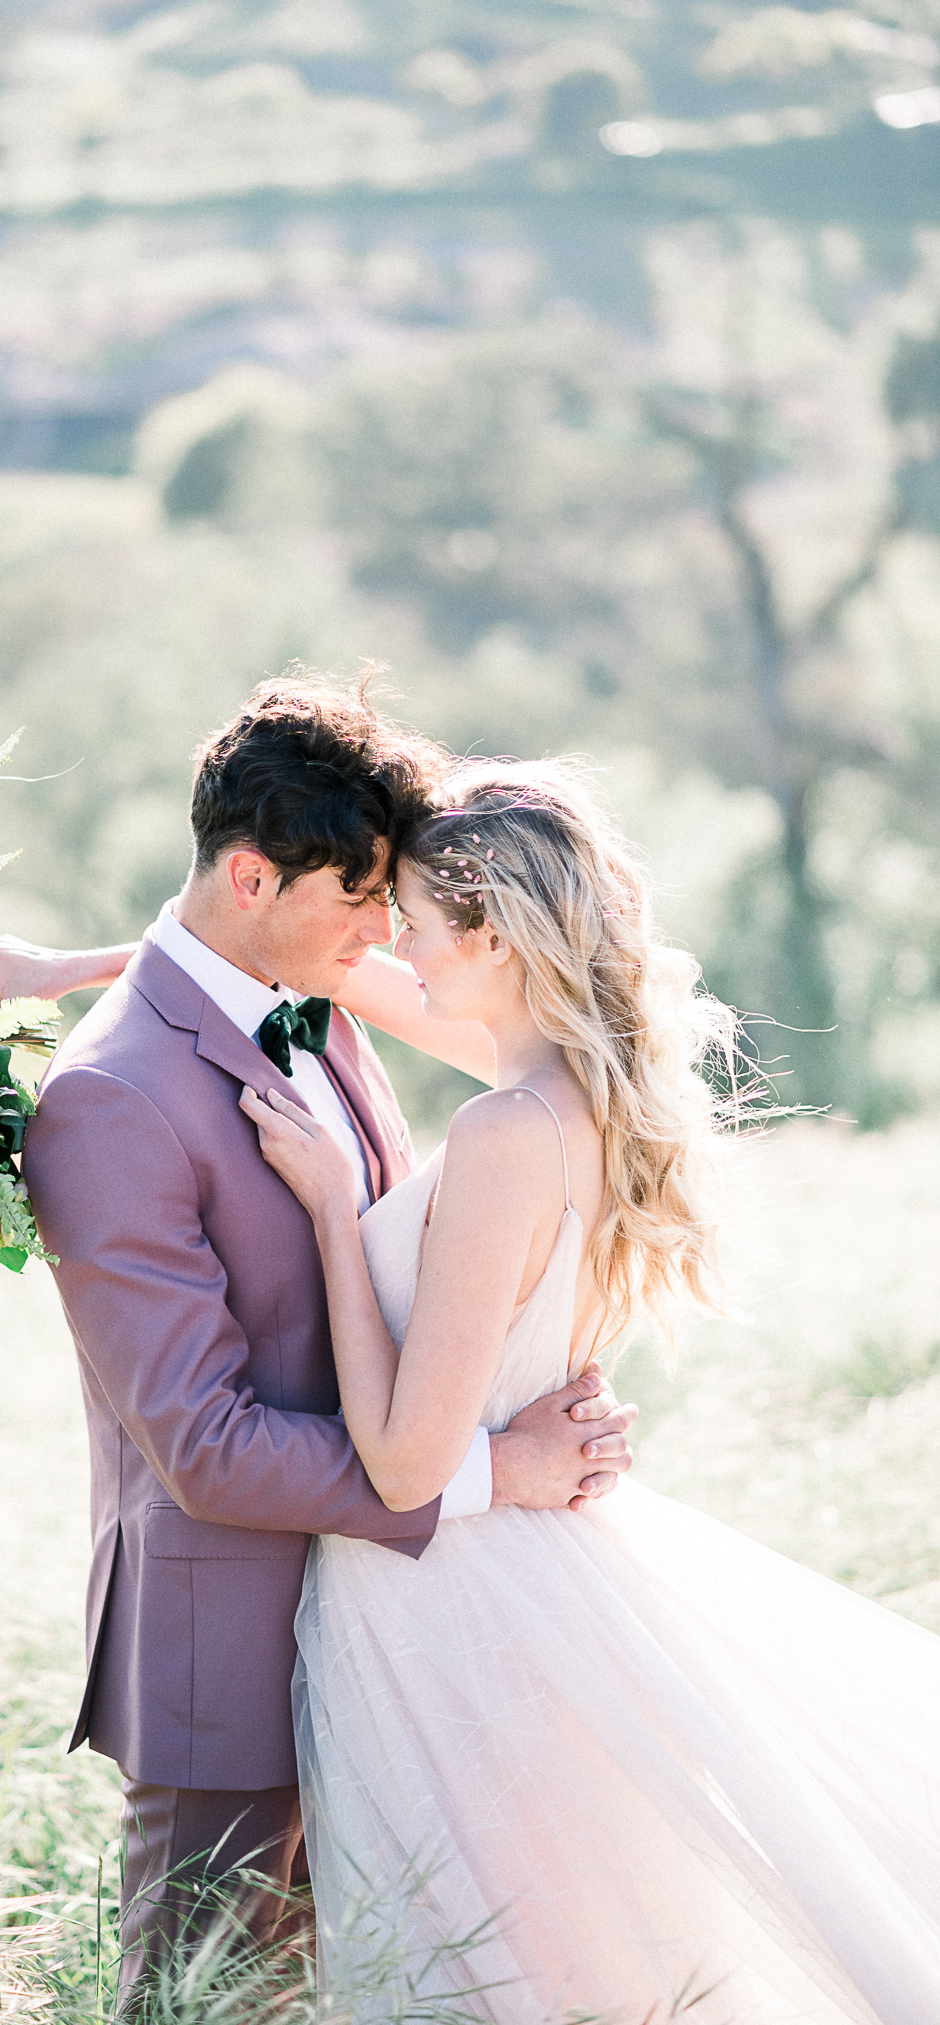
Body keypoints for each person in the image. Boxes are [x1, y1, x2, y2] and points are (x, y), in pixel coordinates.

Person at [0, 680, 638, 2011]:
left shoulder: (304, 992)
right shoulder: (105, 1106)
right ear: (257, 878)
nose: (387, 935)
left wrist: (68, 960)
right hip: (236, 1660)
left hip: (402, 1636)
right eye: (362, 899)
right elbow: (204, 1449)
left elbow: (204, 961)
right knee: (207, 2003)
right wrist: (497, 1470)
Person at [240, 755, 940, 2024]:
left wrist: (338, 1220)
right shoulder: (572, 1081)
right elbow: (329, 966)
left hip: (447, 1605)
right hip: (520, 1571)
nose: (387, 938)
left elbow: (402, 1463)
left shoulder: (509, 1132)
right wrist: (62, 972)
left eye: (412, 920)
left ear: (492, 934)